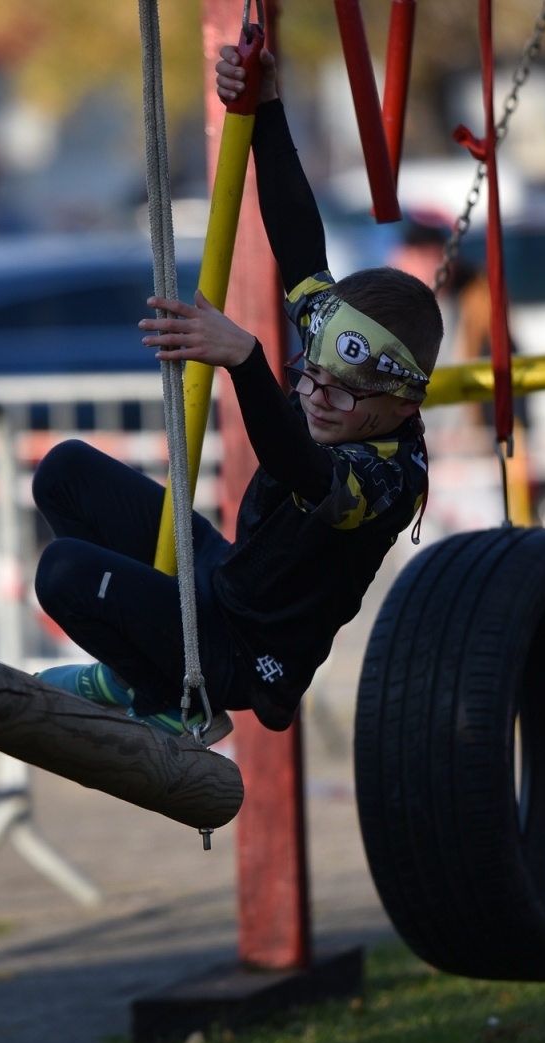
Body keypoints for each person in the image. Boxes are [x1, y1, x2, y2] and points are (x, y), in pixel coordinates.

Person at [30, 42, 442, 744]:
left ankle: (177, 696)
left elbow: (300, 469)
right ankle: (142, 668)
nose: (316, 397)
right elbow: (302, 250)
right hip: (227, 579)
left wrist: (248, 360)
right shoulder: (335, 363)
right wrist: (267, 105)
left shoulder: (389, 477)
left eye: (344, 395)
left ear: (404, 406)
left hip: (250, 655)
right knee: (64, 473)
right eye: (308, 376)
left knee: (61, 573)